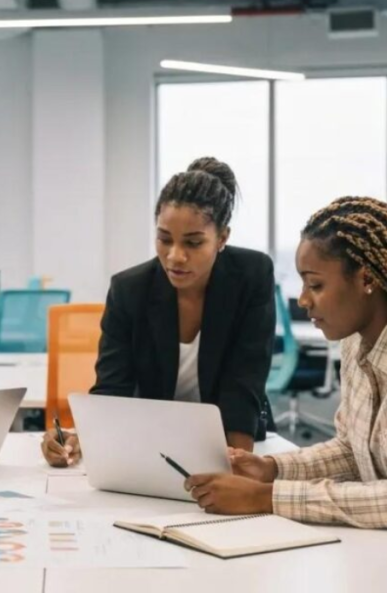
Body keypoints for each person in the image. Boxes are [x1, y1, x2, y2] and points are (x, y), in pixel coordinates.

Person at [182, 196, 387, 577]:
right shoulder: (357, 340)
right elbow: (352, 451)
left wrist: (267, 497)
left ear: (367, 279)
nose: (303, 299)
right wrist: (270, 469)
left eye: (316, 284)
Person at [42, 157, 276, 467]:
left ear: (222, 238)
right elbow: (113, 386)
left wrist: (238, 465)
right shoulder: (130, 289)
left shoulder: (251, 275)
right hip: (153, 443)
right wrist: (79, 438)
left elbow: (245, 380)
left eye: (193, 243)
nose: (175, 256)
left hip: (232, 436)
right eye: (164, 239)